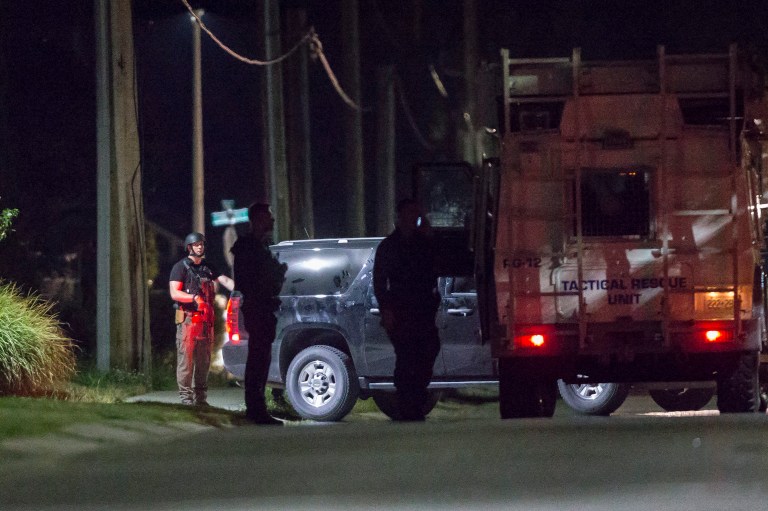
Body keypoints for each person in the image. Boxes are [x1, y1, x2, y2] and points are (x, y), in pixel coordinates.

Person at [373, 198, 441, 421]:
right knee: (406, 358)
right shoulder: (389, 247)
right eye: (411, 214)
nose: (415, 218)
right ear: (401, 217)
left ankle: (416, 400)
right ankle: (406, 405)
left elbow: (437, 266)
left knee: (428, 351)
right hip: (402, 310)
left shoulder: (424, 244)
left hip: (423, 309)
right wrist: (386, 309)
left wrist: (430, 238)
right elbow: (380, 281)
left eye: (417, 214)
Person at [230, 203, 287, 425]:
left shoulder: (263, 246)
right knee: (257, 359)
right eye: (267, 217)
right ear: (256, 220)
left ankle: (257, 407)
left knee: (262, 358)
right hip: (256, 307)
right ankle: (255, 408)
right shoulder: (246, 246)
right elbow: (247, 280)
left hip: (265, 306)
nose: (272, 222)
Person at [169, 232, 234, 406]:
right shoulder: (180, 267)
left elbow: (224, 280)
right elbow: (174, 292)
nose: (200, 247)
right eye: (196, 245)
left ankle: (201, 399)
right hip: (188, 321)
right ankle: (186, 398)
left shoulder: (208, 267)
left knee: (204, 361)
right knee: (186, 361)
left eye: (202, 244)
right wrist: (193, 299)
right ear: (189, 247)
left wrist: (240, 289)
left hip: (206, 322)